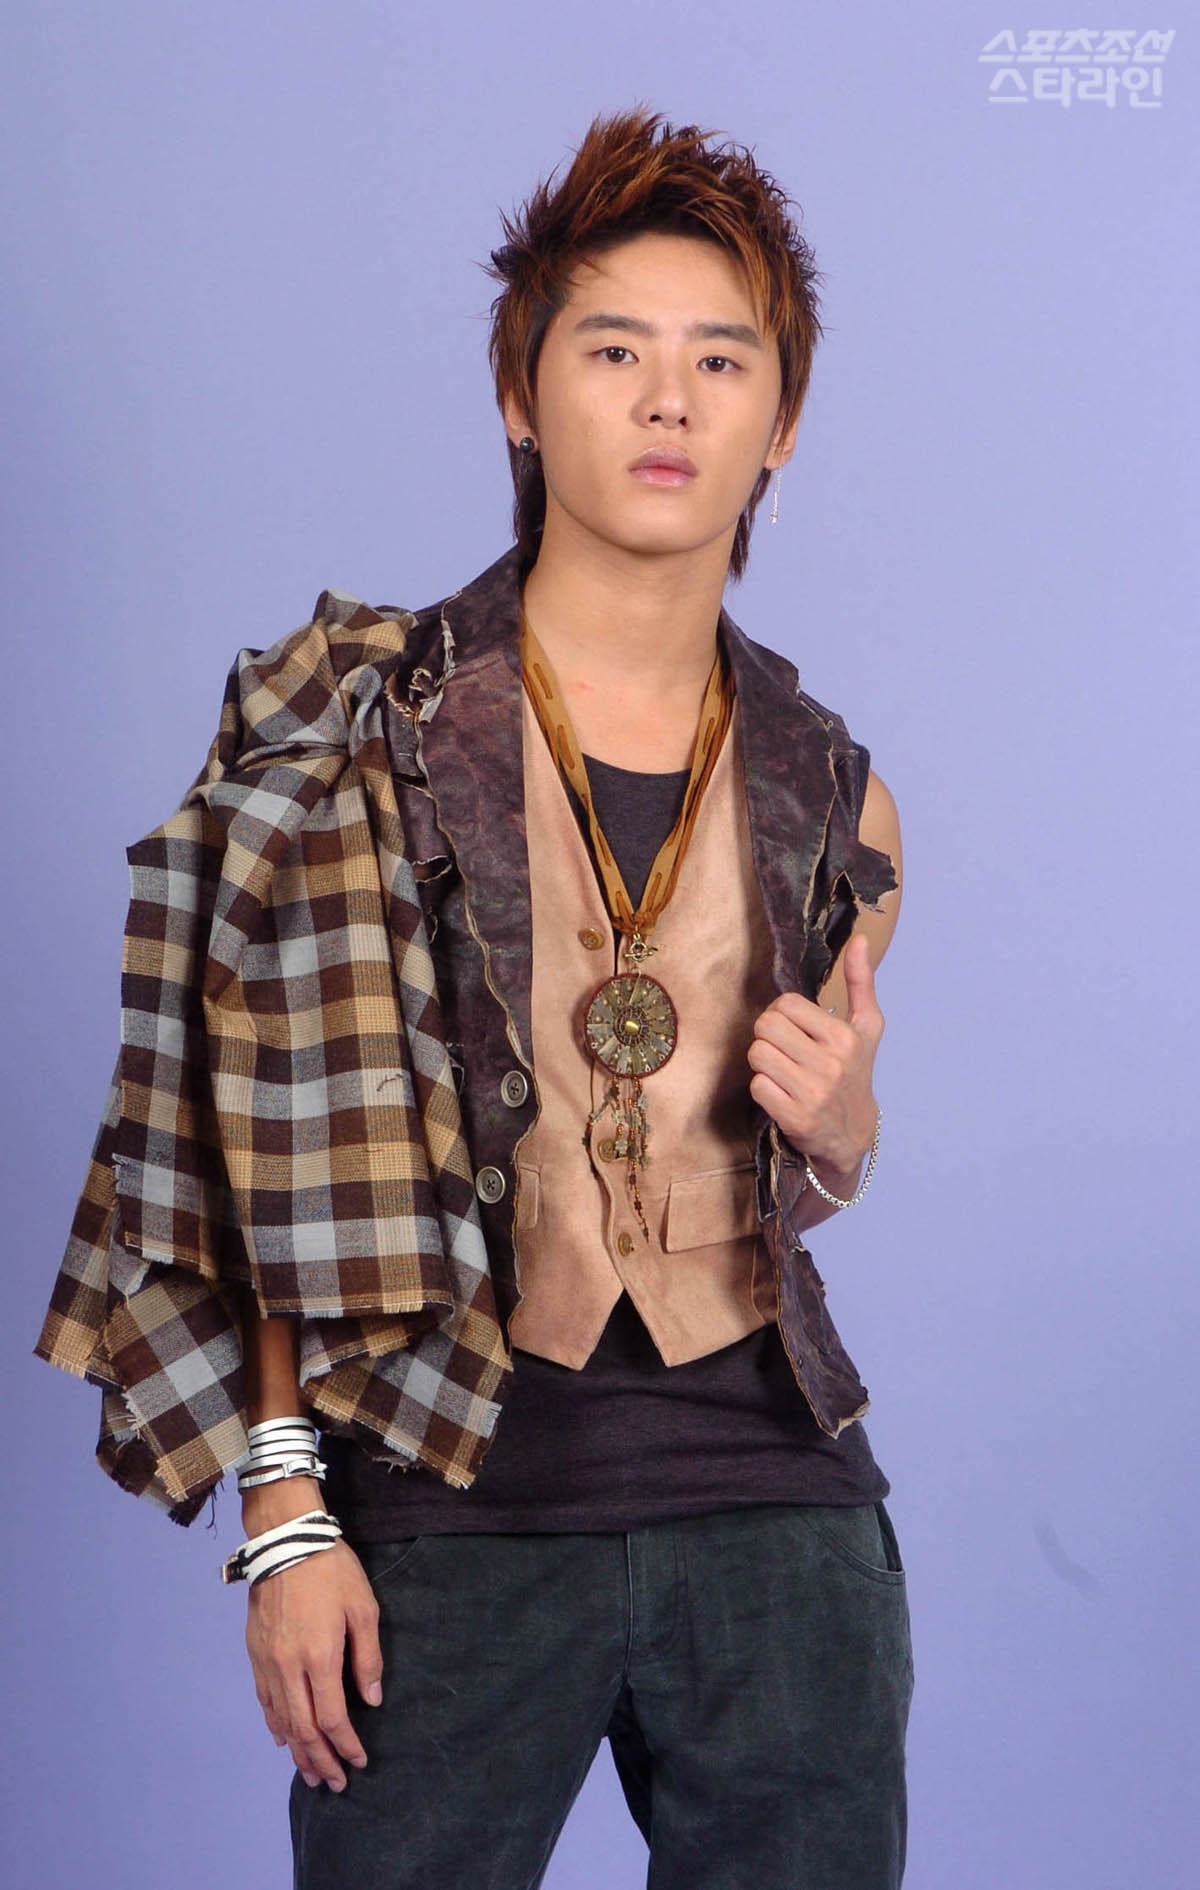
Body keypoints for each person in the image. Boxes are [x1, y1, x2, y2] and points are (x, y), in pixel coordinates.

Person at [41, 105, 914, 1890]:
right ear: (521, 391)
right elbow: (240, 1158)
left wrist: (846, 1129)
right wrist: (288, 1516)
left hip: (779, 1519)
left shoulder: (839, 789)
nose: (668, 402)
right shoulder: (355, 730)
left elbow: (795, 1172)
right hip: (448, 1505)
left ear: (781, 423)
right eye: (614, 350)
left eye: (721, 359)